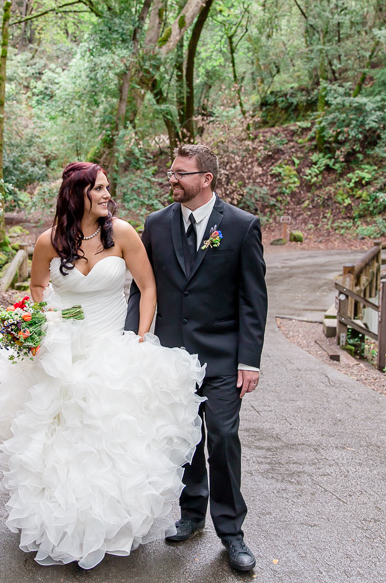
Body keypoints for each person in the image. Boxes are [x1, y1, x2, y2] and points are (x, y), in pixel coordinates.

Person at [0, 162, 205, 570]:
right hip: (64, 349)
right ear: (77, 194)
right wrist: (44, 320)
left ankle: (108, 526)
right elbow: (37, 285)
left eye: (106, 188)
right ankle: (60, 523)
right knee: (59, 441)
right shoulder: (49, 241)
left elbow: (147, 286)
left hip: (112, 347)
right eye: (99, 188)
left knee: (109, 438)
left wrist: (141, 336)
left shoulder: (121, 233)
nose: (107, 195)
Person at [125, 144, 268, 573]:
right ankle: (191, 513)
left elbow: (253, 299)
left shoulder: (241, 226)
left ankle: (232, 531)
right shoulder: (156, 224)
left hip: (223, 357)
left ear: (206, 179)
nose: (172, 179)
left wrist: (250, 360)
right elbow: (140, 289)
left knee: (222, 437)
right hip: (172, 356)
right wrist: (133, 340)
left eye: (181, 173)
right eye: (171, 172)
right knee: (185, 440)